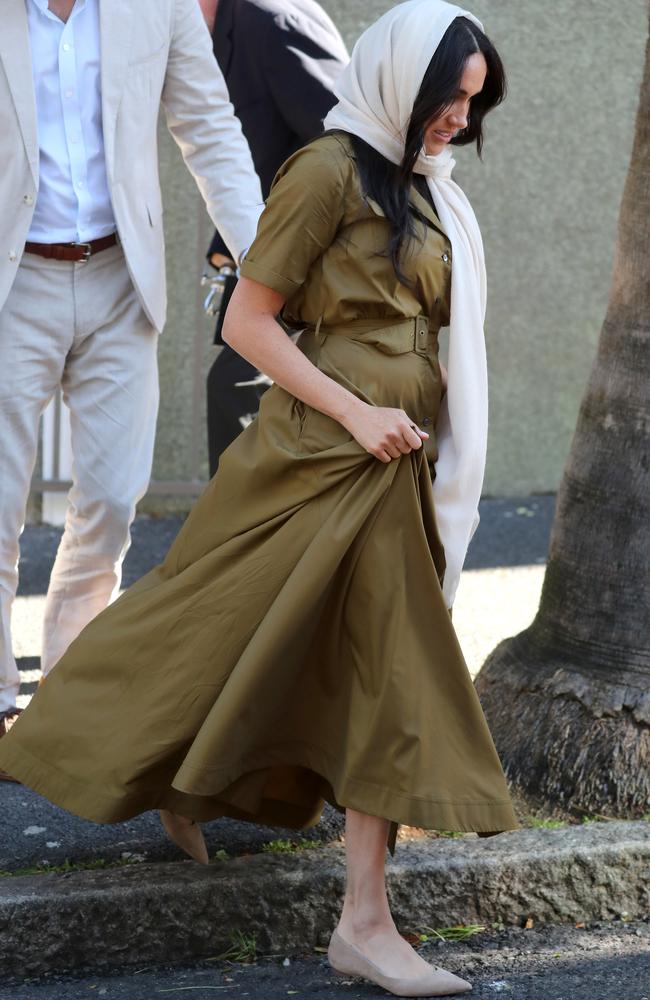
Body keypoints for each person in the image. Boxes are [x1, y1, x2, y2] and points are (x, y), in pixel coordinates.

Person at [0, 1, 517, 994]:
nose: (458, 120)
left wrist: (424, 443)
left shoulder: (433, 193)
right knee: (254, 637)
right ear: (401, 81)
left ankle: (333, 893)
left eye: (470, 105)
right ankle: (359, 919)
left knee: (328, 655)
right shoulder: (324, 172)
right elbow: (248, 319)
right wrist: (358, 414)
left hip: (395, 466)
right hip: (320, 455)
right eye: (448, 100)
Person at [0, 0, 264, 779]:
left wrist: (266, 264)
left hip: (120, 278)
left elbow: (211, 130)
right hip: (15, 282)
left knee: (113, 498)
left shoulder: (160, 6)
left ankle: (71, 696)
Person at [199, 0, 348, 472]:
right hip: (263, 260)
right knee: (242, 404)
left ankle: (241, 541)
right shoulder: (208, 31)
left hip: (309, 265)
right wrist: (228, 250)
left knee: (238, 396)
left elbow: (351, 144)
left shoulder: (273, 22)